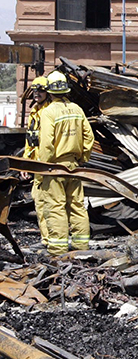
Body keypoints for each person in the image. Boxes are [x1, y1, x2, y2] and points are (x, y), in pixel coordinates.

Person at [36, 71, 94, 256]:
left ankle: (58, 250)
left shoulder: (48, 112)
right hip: (74, 166)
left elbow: (46, 144)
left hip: (55, 166)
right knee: (77, 205)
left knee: (56, 206)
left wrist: (44, 167)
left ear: (50, 91)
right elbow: (89, 136)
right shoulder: (77, 109)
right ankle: (81, 247)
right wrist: (83, 157)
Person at [24, 76, 51, 246]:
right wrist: (26, 162)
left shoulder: (49, 111)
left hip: (47, 165)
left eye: (40, 90)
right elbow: (29, 140)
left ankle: (51, 240)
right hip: (36, 164)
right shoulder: (34, 112)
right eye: (34, 90)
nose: (37, 93)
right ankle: (46, 238)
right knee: (38, 201)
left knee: (48, 203)